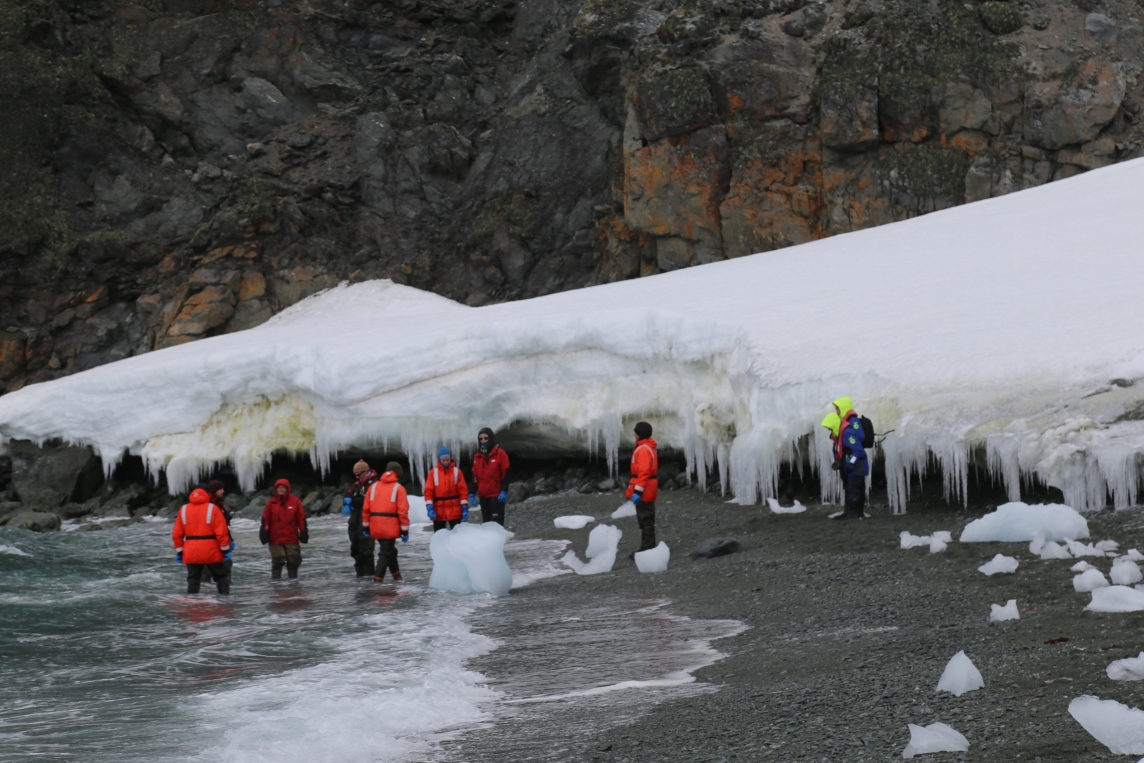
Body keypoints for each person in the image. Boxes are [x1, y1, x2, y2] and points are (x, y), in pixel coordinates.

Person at [172, 485, 232, 594]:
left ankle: (193, 603)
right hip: (211, 550)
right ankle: (225, 601)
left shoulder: (184, 509)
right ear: (207, 494)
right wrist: (225, 550)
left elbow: (177, 534)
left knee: (193, 579)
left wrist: (180, 551)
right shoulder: (213, 508)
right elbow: (221, 532)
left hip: (191, 551)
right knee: (221, 577)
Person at [362, 461, 411, 582]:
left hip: (375, 526)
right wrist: (405, 531)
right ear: (398, 474)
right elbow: (402, 512)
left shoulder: (373, 487)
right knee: (385, 552)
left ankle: (397, 576)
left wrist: (366, 528)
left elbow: (366, 509)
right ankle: (377, 580)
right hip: (390, 526)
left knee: (390, 550)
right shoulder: (399, 489)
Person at [823, 396, 869, 519]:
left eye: (837, 408)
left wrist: (851, 464)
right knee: (850, 487)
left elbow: (858, 450)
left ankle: (855, 513)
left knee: (855, 487)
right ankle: (850, 511)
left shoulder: (848, 430)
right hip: (849, 464)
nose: (836, 411)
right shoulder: (841, 431)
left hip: (856, 465)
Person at [259, 478, 308, 579]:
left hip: (291, 537)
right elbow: (266, 519)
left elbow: (301, 518)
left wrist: (303, 532)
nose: (281, 489)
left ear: (287, 489)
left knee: (294, 561)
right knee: (277, 561)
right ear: (275, 489)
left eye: (283, 487)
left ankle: (293, 585)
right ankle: (276, 586)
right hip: (275, 538)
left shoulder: (295, 501)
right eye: (279, 488)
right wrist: (264, 532)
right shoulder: (270, 503)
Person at [625, 421, 659, 557]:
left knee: (646, 520)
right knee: (646, 519)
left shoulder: (643, 449)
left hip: (645, 490)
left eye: (636, 432)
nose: (634, 434)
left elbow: (644, 472)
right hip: (648, 488)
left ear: (640, 434)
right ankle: (648, 546)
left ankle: (647, 549)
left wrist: (638, 491)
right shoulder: (647, 447)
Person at [343, 461, 379, 577]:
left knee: (366, 550)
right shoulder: (358, 484)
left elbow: (368, 499)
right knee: (355, 549)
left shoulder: (374, 484)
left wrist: (353, 501)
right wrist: (347, 500)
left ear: (366, 471)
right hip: (355, 521)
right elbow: (350, 493)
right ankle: (360, 574)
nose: (357, 477)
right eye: (355, 475)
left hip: (367, 521)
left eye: (359, 474)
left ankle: (369, 575)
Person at [469, 427, 510, 526]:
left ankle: (499, 541)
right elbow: (474, 476)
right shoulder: (477, 456)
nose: (483, 440)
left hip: (496, 495)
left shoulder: (500, 454)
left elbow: (506, 472)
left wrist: (504, 490)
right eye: (481, 438)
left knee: (496, 523)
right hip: (483, 495)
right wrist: (472, 493)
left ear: (490, 438)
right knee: (486, 523)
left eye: (485, 438)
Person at [424, 446, 470, 532]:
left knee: (457, 535)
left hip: (455, 509)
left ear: (450, 458)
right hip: (439, 510)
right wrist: (429, 507)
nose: (445, 462)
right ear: (439, 460)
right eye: (443, 460)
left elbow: (463, 491)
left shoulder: (457, 472)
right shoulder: (433, 473)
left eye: (447, 460)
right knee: (439, 535)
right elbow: (428, 491)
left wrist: (464, 507)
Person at [201, 480, 233, 588]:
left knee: (225, 566)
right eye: (220, 489)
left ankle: (224, 589)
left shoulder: (220, 503)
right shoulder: (210, 505)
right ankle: (208, 592)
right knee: (208, 569)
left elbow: (225, 524)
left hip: (222, 539)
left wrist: (230, 539)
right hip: (212, 541)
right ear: (214, 490)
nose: (223, 491)